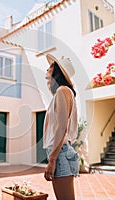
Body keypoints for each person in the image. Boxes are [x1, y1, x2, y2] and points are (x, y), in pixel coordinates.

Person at [43, 54, 79, 200]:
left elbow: (61, 127)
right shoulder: (63, 91)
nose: (47, 68)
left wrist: (52, 160)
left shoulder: (62, 91)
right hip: (60, 151)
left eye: (51, 66)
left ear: (58, 70)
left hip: (60, 152)